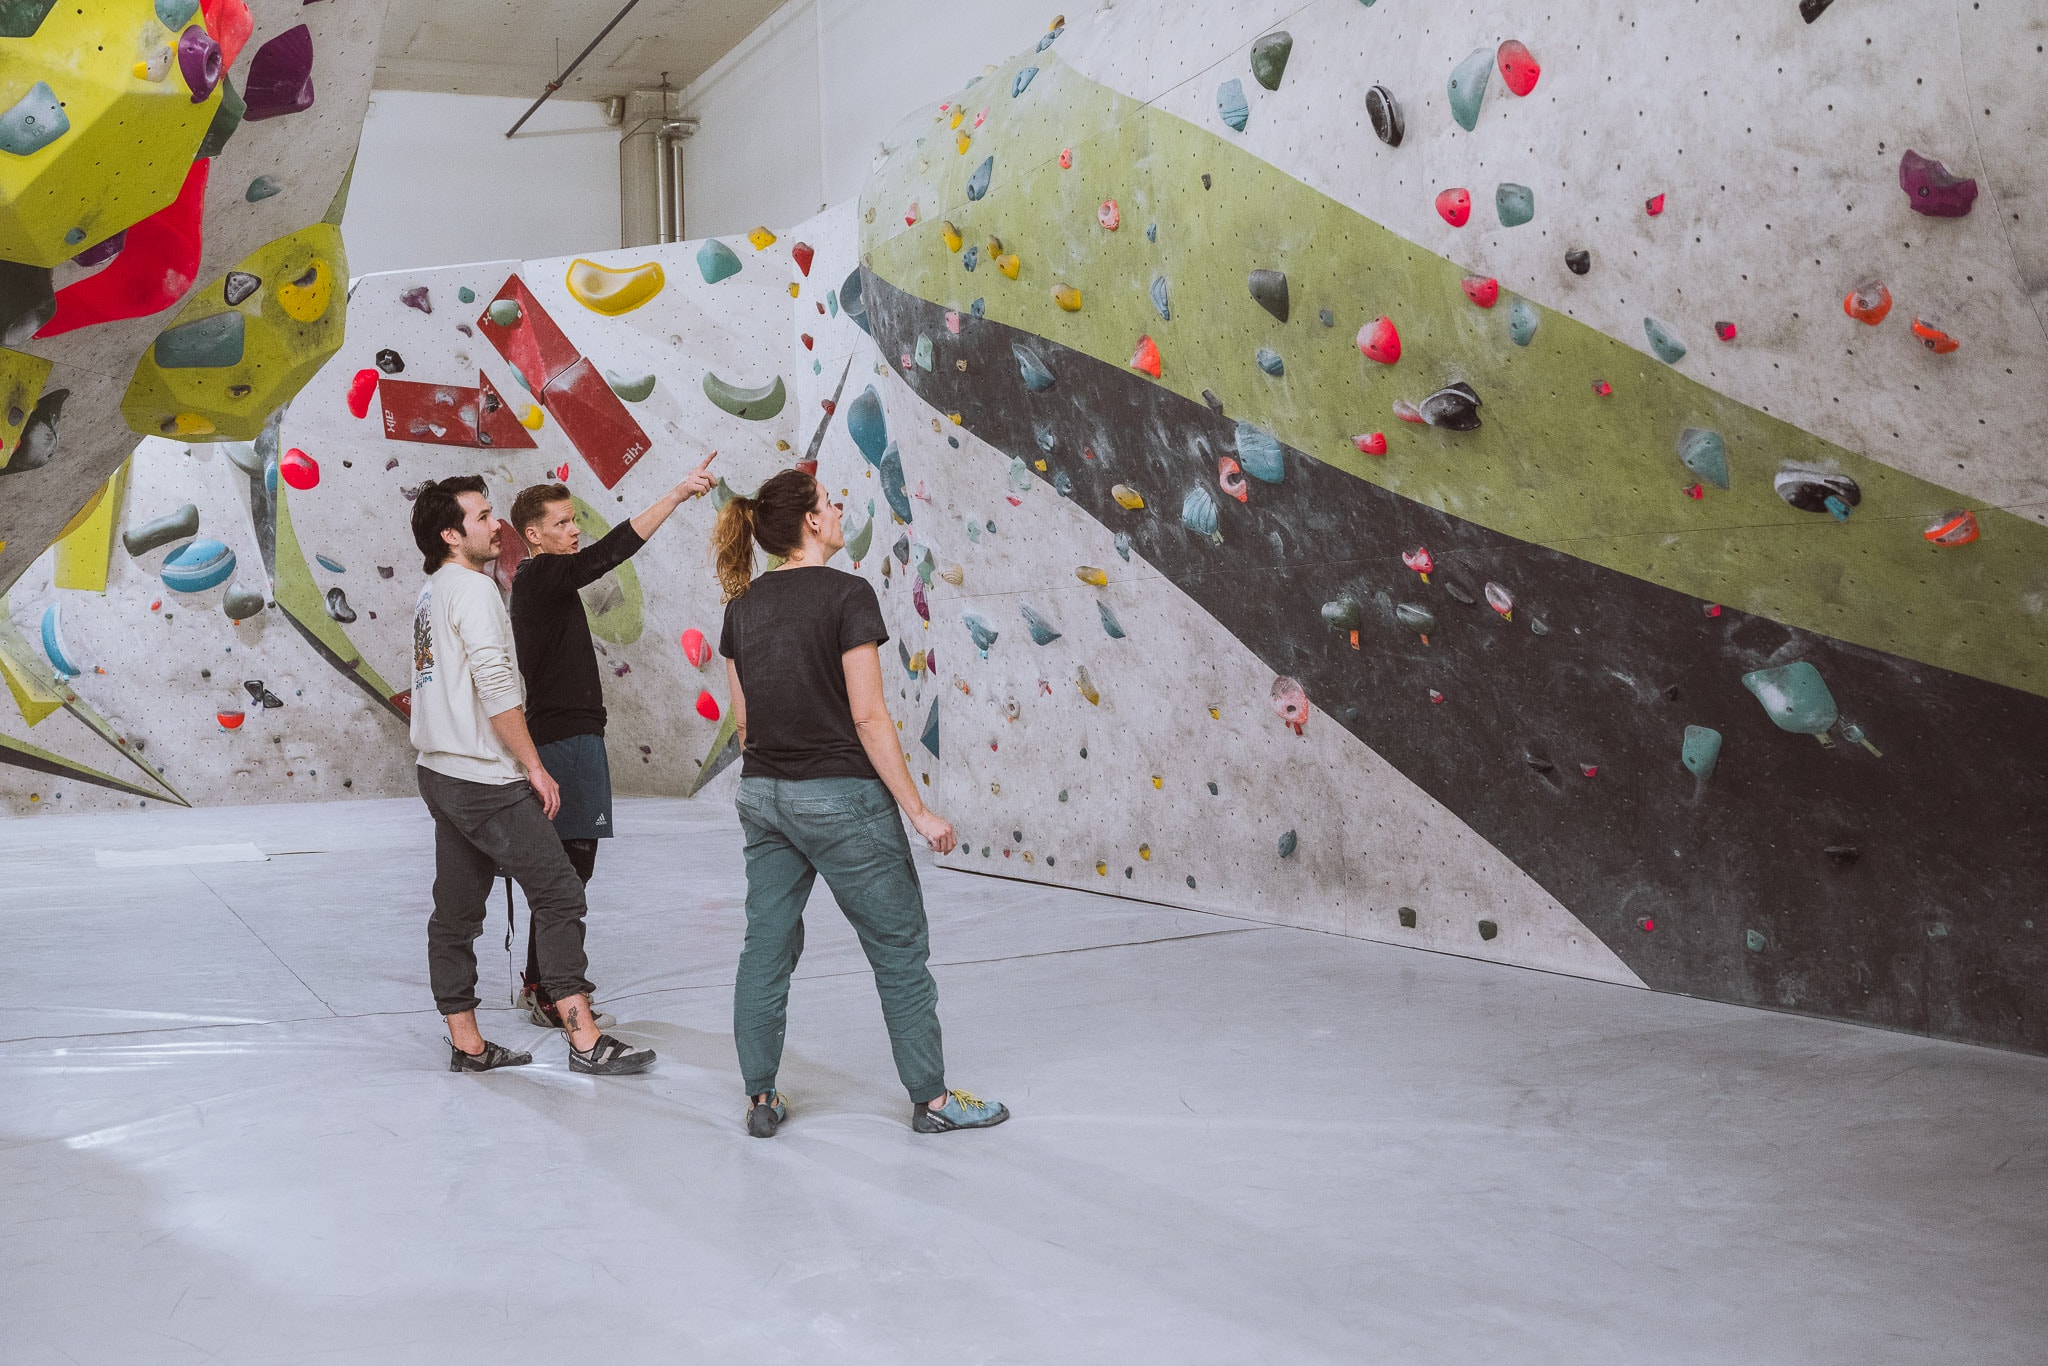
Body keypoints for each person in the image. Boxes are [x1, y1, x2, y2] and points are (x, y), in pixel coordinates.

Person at [712, 468, 1008, 1137]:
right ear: (812, 523)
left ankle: (760, 1098)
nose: (839, 508)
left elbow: (746, 726)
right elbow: (870, 719)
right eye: (829, 503)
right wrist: (920, 812)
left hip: (763, 796)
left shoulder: (741, 608)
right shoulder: (848, 594)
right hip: (842, 799)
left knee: (765, 948)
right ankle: (931, 1103)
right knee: (899, 949)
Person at [406, 474, 654, 1076]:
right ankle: (585, 1041)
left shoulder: (431, 591)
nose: (498, 526)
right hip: (481, 778)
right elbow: (495, 686)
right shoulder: (474, 589)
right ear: (450, 534)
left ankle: (467, 1043)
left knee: (459, 909)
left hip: (438, 771)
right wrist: (534, 767)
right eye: (485, 516)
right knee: (561, 891)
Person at [506, 455, 717, 1029]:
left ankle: (539, 980)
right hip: (565, 740)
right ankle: (552, 989)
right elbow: (612, 552)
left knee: (568, 872)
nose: (575, 529)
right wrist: (674, 496)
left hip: (573, 736)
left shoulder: (542, 581)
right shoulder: (541, 574)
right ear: (534, 535)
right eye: (563, 522)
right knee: (570, 873)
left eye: (574, 519)